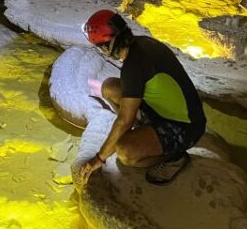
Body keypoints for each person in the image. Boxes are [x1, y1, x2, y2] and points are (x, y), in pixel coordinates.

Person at [76, 9, 206, 187]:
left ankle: (175, 157)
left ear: (106, 46)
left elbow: (124, 121)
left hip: (185, 127)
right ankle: (144, 132)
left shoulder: (134, 66)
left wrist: (99, 158)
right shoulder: (142, 43)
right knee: (109, 87)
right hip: (166, 110)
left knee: (125, 152)